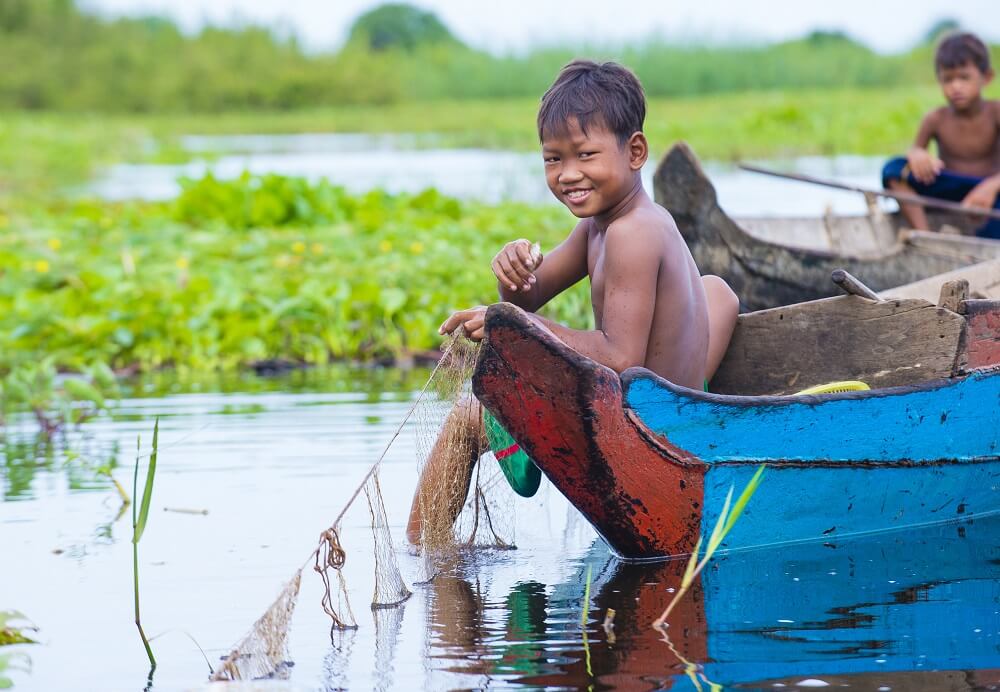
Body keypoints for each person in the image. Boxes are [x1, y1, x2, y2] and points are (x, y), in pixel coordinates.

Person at [406, 60, 739, 544]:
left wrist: (508, 325)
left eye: (585, 155)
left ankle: (422, 548)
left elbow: (619, 356)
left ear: (636, 151)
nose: (568, 174)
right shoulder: (599, 227)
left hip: (643, 433)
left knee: (466, 418)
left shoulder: (630, 233)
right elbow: (531, 293)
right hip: (666, 407)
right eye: (553, 159)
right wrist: (515, 275)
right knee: (716, 291)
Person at [882, 32, 1000, 238]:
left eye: (964, 77)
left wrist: (991, 186)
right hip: (950, 189)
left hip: (991, 192)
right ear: (939, 81)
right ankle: (925, 236)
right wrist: (917, 155)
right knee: (893, 169)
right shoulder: (936, 118)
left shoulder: (995, 112)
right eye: (948, 79)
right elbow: (916, 150)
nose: (955, 87)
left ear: (986, 77)